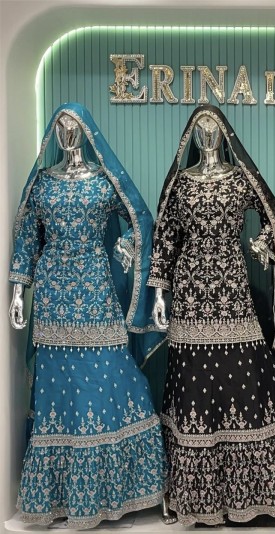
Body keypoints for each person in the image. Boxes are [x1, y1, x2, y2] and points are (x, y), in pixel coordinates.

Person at [9, 103, 165, 529]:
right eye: (60, 125)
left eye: (73, 125)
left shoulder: (102, 180)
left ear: (86, 131)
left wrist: (127, 248)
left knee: (111, 375)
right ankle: (60, 498)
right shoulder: (43, 183)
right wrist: (18, 292)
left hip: (96, 289)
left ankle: (117, 491)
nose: (67, 133)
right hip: (53, 296)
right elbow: (27, 238)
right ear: (53, 132)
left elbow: (139, 218)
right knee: (58, 387)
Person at [148, 104, 275, 526]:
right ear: (191, 136)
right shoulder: (181, 183)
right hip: (191, 292)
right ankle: (196, 497)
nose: (207, 134)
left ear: (224, 134)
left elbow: (273, 214)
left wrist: (267, 248)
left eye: (213, 126)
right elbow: (165, 239)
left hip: (232, 286)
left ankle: (249, 492)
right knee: (193, 380)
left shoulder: (238, 179)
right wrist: (160, 292)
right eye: (199, 127)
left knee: (241, 375)